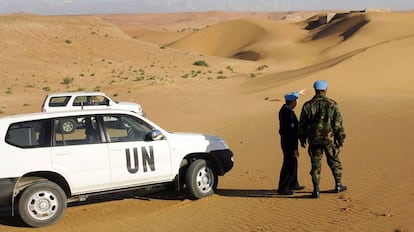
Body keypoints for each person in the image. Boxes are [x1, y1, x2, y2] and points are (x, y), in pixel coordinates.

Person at [298, 80, 347, 198]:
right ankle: (338, 185)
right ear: (325, 90)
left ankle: (316, 190)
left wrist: (302, 138)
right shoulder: (332, 104)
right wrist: (340, 138)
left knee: (315, 165)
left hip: (314, 140)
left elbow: (302, 124)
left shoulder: (307, 105)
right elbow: (338, 124)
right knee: (334, 162)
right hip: (329, 140)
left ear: (315, 90)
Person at [277, 91, 304, 195]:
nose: (296, 102)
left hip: (289, 141)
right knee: (288, 163)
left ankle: (293, 183)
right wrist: (294, 147)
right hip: (289, 142)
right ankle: (283, 187)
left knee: (293, 162)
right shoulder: (286, 112)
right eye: (296, 100)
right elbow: (290, 131)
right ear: (292, 102)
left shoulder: (287, 110)